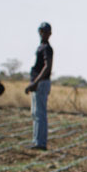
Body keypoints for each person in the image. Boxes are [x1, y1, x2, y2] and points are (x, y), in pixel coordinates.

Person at [25, 22, 53, 150]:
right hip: (38, 83)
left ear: (49, 34)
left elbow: (47, 67)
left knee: (39, 113)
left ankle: (40, 143)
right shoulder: (41, 47)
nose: (43, 33)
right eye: (41, 31)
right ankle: (37, 141)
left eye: (46, 31)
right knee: (35, 113)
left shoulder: (46, 48)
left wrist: (36, 82)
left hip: (41, 83)